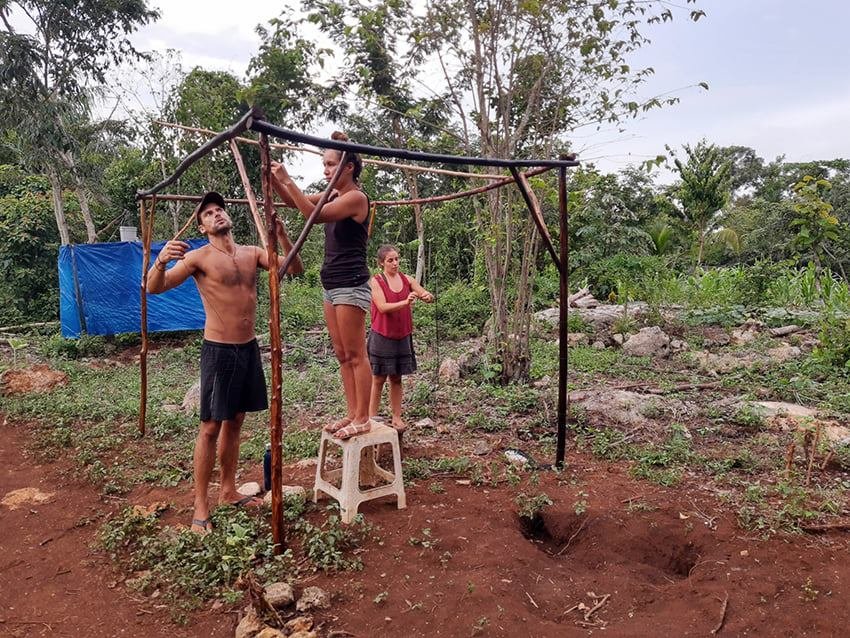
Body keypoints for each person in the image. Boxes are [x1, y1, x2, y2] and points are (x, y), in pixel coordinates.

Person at [146, 191, 303, 533]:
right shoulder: (199, 258)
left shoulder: (251, 253)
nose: (216, 215)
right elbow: (153, 288)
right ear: (202, 226)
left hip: (248, 348)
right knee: (210, 427)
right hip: (219, 350)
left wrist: (281, 234)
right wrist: (160, 262)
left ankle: (228, 490)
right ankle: (201, 505)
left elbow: (293, 268)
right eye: (208, 214)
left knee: (236, 420)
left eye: (220, 210)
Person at [270, 131, 373, 440]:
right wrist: (276, 178)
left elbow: (312, 216)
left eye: (331, 165)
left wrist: (288, 178)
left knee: (356, 354)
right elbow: (292, 202)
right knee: (342, 354)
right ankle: (352, 412)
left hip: (350, 285)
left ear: (349, 167)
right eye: (325, 165)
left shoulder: (355, 197)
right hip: (330, 284)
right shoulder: (331, 194)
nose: (326, 171)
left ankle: (364, 418)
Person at [368, 245, 434, 433]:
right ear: (381, 263)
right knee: (378, 378)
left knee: (396, 378)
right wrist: (405, 302)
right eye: (390, 260)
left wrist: (426, 296)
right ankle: (372, 417)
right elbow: (382, 307)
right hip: (382, 335)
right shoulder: (376, 281)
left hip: (402, 335)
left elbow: (423, 292)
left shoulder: (407, 279)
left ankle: (396, 416)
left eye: (397, 259)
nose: (395, 263)